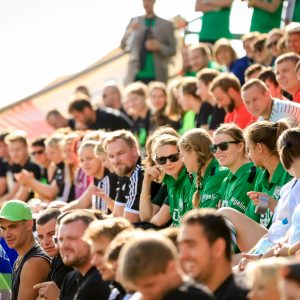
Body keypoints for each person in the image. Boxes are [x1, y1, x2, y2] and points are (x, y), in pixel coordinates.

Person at [118, 232, 214, 300]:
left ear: (172, 267)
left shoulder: (194, 297)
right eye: (138, 289)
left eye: (149, 285)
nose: (145, 296)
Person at [178, 209, 248, 299]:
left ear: (218, 248)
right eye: (180, 248)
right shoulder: (185, 293)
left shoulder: (248, 295)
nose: (182, 256)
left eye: (191, 245)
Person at [0, 200, 51, 300]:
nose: (7, 234)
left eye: (12, 227)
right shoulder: (22, 257)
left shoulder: (33, 263)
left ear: (29, 224)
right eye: (3, 228)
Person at [57, 211, 110, 300]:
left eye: (72, 238)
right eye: (61, 240)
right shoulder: (70, 278)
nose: (64, 246)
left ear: (92, 239)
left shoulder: (100, 282)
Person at [120, 0, 176, 85]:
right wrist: (130, 31)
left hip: (158, 75)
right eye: (144, 1)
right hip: (136, 75)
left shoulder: (166, 25)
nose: (146, 4)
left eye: (149, 1)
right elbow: (123, 45)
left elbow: (173, 50)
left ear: (154, 2)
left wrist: (159, 47)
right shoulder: (135, 21)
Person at [144, 133, 193, 227]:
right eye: (162, 160)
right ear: (157, 162)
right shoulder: (170, 180)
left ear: (182, 155)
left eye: (173, 157)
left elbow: (188, 225)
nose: (168, 163)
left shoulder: (190, 179)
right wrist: (146, 182)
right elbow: (146, 217)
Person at [212, 123, 259, 213]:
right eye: (214, 148)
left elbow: (230, 221)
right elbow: (212, 213)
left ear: (240, 146)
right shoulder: (227, 179)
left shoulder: (250, 176)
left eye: (223, 146)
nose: (217, 152)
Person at [83, 217, 133, 300]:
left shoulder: (146, 294)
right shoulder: (116, 292)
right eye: (93, 255)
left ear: (124, 249)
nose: (94, 262)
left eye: (101, 253)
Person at [62, 140, 118, 213]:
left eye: (89, 158)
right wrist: (58, 213)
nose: (85, 164)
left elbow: (104, 213)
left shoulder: (109, 178)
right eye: (81, 160)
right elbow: (80, 203)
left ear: (100, 157)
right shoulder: (97, 178)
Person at [179, 128, 229, 209]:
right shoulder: (197, 176)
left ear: (193, 151)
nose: (182, 160)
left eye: (182, 155)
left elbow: (204, 218)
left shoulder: (217, 174)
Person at [104, 130, 143, 223]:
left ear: (134, 151)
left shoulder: (139, 172)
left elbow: (127, 222)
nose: (116, 161)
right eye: (111, 156)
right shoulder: (125, 172)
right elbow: (117, 215)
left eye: (120, 153)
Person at [0, 131, 41, 204]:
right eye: (11, 151)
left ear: (26, 148)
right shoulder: (20, 167)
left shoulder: (31, 167)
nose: (14, 154)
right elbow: (14, 194)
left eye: (17, 150)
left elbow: (20, 199)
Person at [68, 99, 132, 131]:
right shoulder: (93, 122)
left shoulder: (106, 118)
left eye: (77, 116)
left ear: (86, 110)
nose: (78, 121)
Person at [123, 82, 151, 147]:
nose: (132, 104)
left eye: (135, 99)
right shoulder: (137, 121)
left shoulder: (155, 116)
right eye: (129, 101)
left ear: (145, 96)